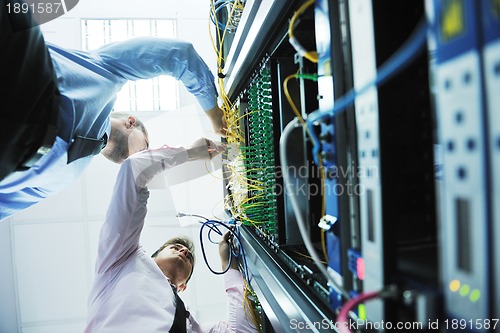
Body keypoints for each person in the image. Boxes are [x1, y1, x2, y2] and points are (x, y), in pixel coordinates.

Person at [0, 0, 226, 220]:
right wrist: (214, 113)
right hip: (19, 63)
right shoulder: (103, 71)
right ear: (131, 122)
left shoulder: (60, 181)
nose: (146, 155)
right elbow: (176, 54)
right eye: (146, 147)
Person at [83, 137, 258, 333]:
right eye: (175, 248)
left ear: (183, 287)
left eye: (189, 257)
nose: (184, 251)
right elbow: (133, 169)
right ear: (152, 257)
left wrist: (229, 265)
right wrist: (191, 152)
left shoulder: (189, 325)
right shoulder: (120, 261)